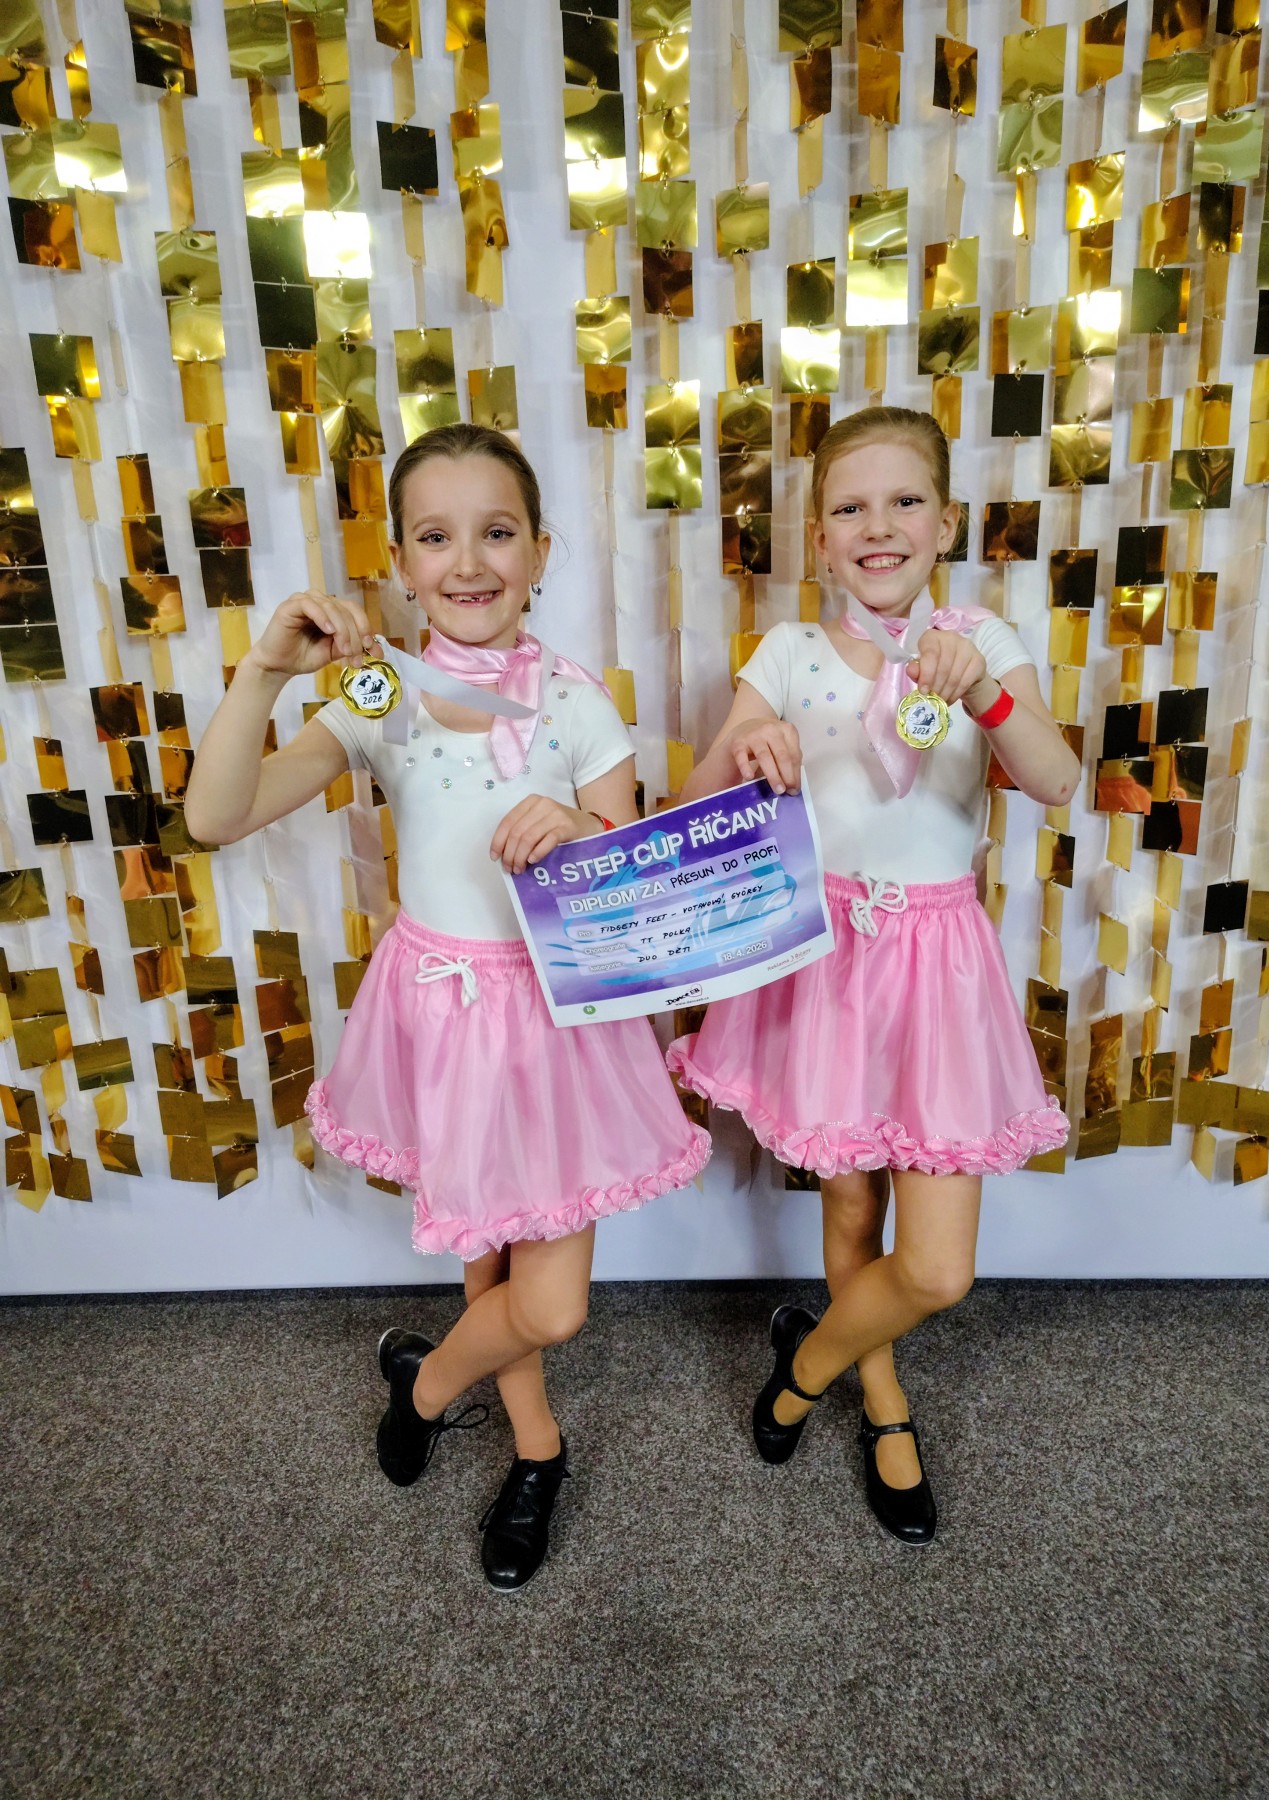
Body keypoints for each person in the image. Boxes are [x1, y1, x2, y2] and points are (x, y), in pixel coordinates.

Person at [185, 423, 710, 1590]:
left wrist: (583, 828)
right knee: (489, 1271)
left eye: (497, 532)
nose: (468, 561)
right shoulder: (380, 699)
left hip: (558, 1022)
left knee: (549, 1303)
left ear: (540, 552)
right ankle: (538, 1448)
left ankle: (422, 1388)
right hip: (438, 1015)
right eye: (436, 537)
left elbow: (635, 884)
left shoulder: (575, 701)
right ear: (401, 560)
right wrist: (265, 672)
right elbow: (217, 816)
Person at [669, 406, 1076, 1545]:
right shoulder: (790, 653)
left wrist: (987, 694)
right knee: (851, 1200)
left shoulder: (981, 639)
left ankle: (806, 1366)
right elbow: (694, 802)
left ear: (946, 523)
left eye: (905, 502)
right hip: (826, 961)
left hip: (937, 969)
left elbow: (1056, 779)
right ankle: (885, 1402)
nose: (878, 526)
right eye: (850, 508)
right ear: (820, 539)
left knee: (936, 1266)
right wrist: (744, 754)